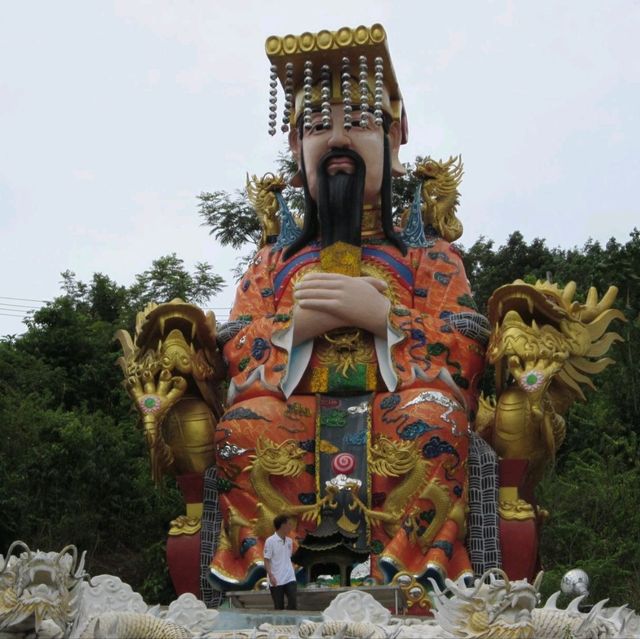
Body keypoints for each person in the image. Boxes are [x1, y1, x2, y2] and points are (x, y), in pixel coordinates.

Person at [208, 24, 488, 597]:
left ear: (395, 138)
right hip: (293, 416)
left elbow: (466, 347)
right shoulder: (269, 265)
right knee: (240, 428)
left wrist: (384, 318)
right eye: (318, 128)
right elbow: (233, 349)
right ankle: (266, 574)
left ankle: (408, 569)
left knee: (436, 419)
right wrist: (293, 331)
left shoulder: (429, 257)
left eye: (358, 123)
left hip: (397, 409)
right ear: (295, 148)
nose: (337, 139)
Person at [263, 514, 297, 610]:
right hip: (276, 579)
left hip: (290, 577)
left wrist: (292, 569)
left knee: (293, 603)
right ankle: (281, 624)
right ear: (283, 525)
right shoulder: (270, 541)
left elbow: (289, 558)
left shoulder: (289, 541)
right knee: (279, 607)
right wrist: (271, 575)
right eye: (289, 524)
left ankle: (291, 623)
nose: (291, 527)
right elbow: (266, 560)